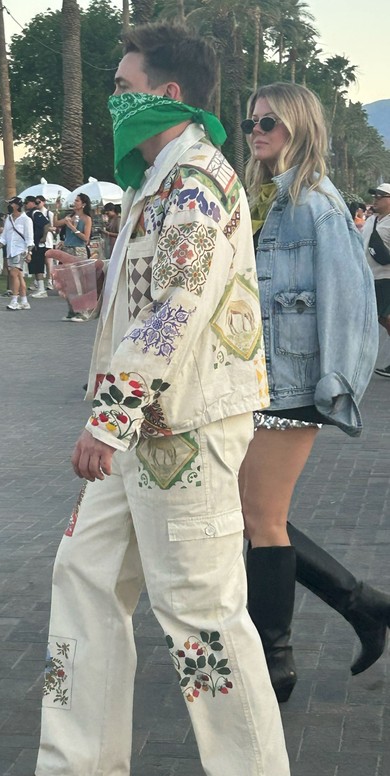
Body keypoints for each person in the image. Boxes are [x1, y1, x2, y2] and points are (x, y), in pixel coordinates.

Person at [36, 22, 289, 776]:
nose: (113, 101)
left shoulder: (196, 181)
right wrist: (94, 288)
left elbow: (177, 307)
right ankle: (78, 762)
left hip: (182, 428)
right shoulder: (160, 182)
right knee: (83, 579)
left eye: (122, 88)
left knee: (200, 617)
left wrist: (110, 418)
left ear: (167, 95)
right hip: (143, 427)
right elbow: (158, 298)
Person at [239, 82, 381, 705]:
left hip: (298, 386)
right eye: (251, 123)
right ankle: (363, 605)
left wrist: (336, 388)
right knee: (254, 514)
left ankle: (275, 660)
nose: (257, 131)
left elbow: (353, 305)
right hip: (266, 380)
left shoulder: (316, 204)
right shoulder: (269, 198)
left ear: (299, 125)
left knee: (260, 518)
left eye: (270, 121)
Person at [362, 183, 390, 377]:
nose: (376, 199)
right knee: (381, 318)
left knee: (385, 318)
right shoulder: (371, 221)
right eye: (375, 195)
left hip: (386, 278)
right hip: (368, 277)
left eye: (381, 196)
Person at [54, 193, 93, 322]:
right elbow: (56, 223)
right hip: (67, 250)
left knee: (78, 283)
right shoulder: (69, 217)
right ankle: (72, 310)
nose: (74, 203)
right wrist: (56, 209)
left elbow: (86, 239)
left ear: (83, 204)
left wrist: (72, 227)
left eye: (77, 201)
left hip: (78, 250)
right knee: (67, 283)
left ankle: (83, 312)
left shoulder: (86, 219)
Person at [0, 196, 33, 310]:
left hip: (20, 250)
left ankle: (14, 300)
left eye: (11, 204)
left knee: (14, 274)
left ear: (17, 205)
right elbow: (4, 236)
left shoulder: (26, 220)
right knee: (19, 276)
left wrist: (29, 253)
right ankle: (24, 301)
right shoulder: (8, 219)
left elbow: (29, 238)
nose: (9, 206)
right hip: (10, 250)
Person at [25, 195, 51, 298]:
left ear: (32, 203)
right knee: (34, 267)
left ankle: (42, 289)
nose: (25, 205)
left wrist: (44, 237)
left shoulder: (36, 213)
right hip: (33, 243)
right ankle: (39, 287)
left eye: (27, 202)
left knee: (39, 266)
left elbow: (46, 224)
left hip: (38, 244)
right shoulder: (29, 214)